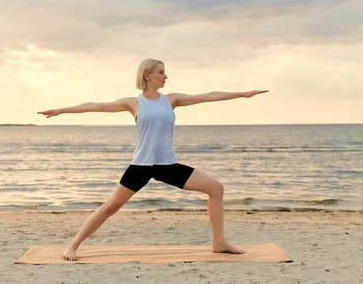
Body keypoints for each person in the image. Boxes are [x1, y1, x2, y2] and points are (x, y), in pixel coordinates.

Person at [38, 58, 268, 261]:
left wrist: (242, 94)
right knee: (111, 206)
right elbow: (94, 106)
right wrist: (61, 110)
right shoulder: (134, 103)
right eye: (161, 72)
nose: (165, 76)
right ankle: (73, 245)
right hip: (141, 165)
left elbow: (208, 96)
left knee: (216, 189)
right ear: (147, 74)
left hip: (166, 165)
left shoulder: (172, 100)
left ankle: (219, 243)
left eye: (165, 72)